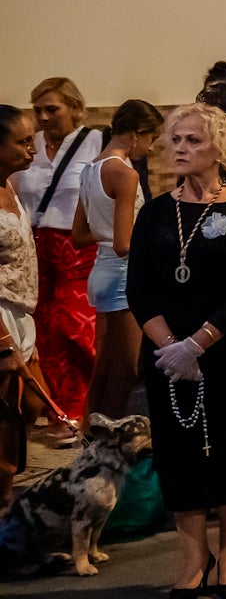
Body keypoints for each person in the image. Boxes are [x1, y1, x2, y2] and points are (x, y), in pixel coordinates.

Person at [126, 103, 226, 599]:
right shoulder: (156, 212)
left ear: (219, 150)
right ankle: (192, 555)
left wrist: (198, 344)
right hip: (168, 356)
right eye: (176, 140)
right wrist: (171, 349)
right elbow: (138, 289)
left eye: (193, 141)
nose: (181, 149)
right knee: (179, 453)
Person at [13, 77, 103, 444]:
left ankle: (81, 405)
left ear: (74, 107)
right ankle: (58, 410)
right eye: (37, 110)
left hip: (78, 242)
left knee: (74, 328)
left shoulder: (94, 141)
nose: (44, 116)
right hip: (37, 243)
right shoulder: (28, 146)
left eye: (52, 109)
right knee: (43, 331)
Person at [71, 100, 161, 420]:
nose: (150, 148)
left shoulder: (90, 168)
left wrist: (107, 233)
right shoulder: (124, 173)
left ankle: (92, 436)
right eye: (151, 139)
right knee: (127, 370)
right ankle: (109, 440)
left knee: (105, 368)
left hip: (100, 271)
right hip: (123, 275)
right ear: (136, 134)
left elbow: (79, 235)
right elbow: (125, 243)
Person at [0, 107, 51, 506]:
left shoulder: (10, 185)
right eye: (21, 142)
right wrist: (2, 342)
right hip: (0, 317)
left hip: (21, 312)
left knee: (31, 404)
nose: (32, 150)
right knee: (6, 416)